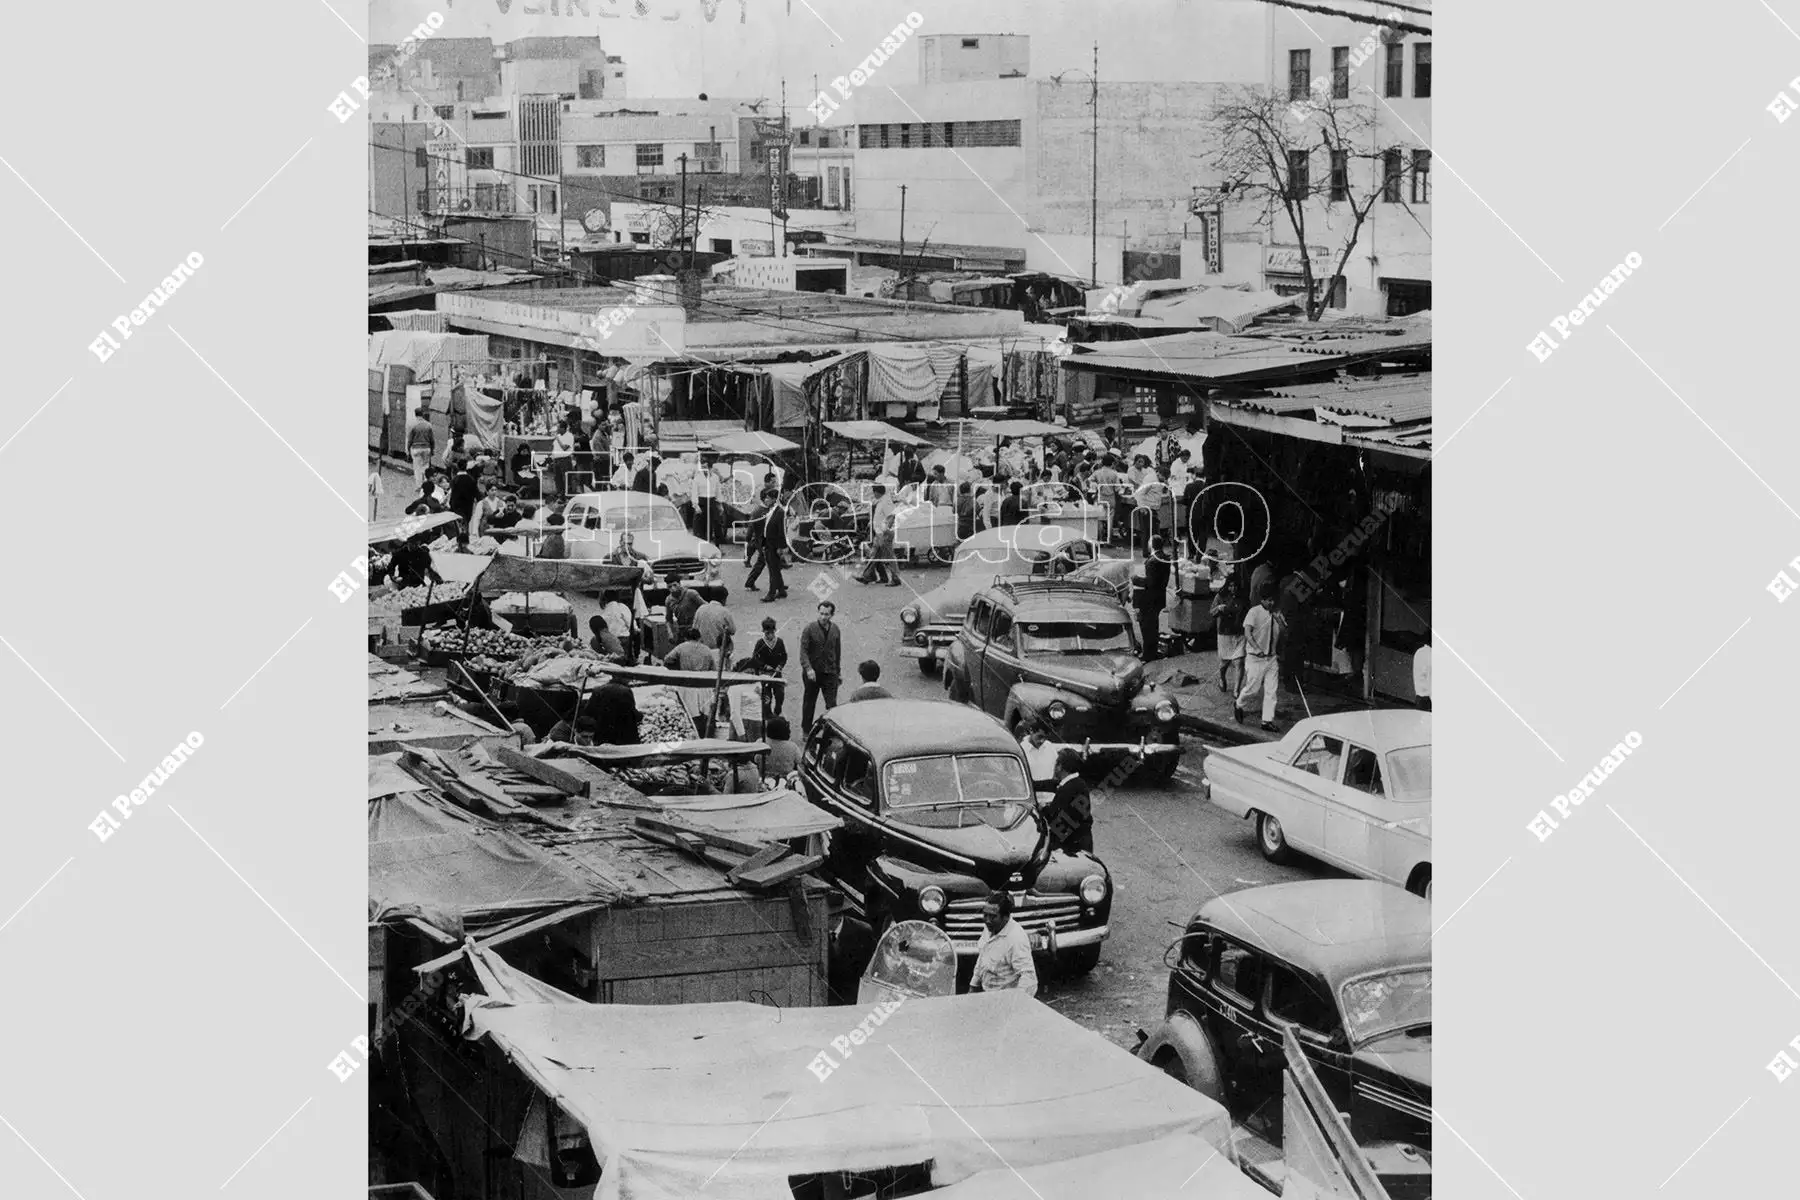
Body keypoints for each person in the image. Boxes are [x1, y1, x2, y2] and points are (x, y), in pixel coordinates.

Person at [968, 891, 1037, 997]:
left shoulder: (1016, 938)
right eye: (985, 915)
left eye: (992, 916)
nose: (987, 920)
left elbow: (1029, 979)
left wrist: (1017, 1003)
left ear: (1006, 917)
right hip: (987, 994)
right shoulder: (990, 927)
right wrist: (972, 987)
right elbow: (982, 958)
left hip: (1005, 999)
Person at [1234, 586, 1284, 732]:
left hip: (1271, 658)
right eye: (1269, 600)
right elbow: (1247, 633)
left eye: (1273, 600)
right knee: (1253, 689)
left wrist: (1279, 621)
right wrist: (1256, 648)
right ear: (1262, 599)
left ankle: (1267, 721)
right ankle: (1239, 703)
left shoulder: (1274, 613)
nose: (1271, 603)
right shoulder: (1254, 612)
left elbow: (1281, 631)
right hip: (1256, 658)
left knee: (1271, 690)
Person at [663, 627, 720, 733]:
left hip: (687, 684)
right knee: (705, 712)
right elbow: (714, 669)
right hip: (704, 685)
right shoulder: (706, 649)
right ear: (699, 637)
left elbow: (667, 659)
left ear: (685, 637)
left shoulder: (681, 647)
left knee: (690, 712)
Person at [1041, 748, 1095, 855]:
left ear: (1060, 767)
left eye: (1055, 764)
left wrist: (1043, 808)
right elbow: (1051, 784)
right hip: (1082, 842)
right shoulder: (1077, 783)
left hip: (1072, 848)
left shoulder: (1067, 789)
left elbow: (1055, 819)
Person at [799, 600, 842, 729]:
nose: (823, 617)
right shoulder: (809, 629)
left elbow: (837, 652)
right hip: (813, 673)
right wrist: (808, 669)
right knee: (809, 702)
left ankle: (832, 730)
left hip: (830, 672)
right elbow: (803, 651)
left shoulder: (835, 629)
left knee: (832, 704)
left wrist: (838, 672)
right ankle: (806, 729)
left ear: (831, 615)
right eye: (821, 613)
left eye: (827, 614)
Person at [1211, 569, 1247, 695]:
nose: (1233, 588)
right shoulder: (1220, 596)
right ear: (1227, 585)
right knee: (1224, 663)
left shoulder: (1243, 598)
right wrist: (1218, 608)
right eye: (1231, 586)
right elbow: (1212, 612)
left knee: (1239, 662)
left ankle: (1237, 690)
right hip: (1225, 634)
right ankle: (1222, 677)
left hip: (1239, 633)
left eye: (1235, 586)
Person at [858, 483, 902, 587]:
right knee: (874, 555)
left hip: (884, 533)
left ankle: (895, 578)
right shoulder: (881, 501)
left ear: (877, 492)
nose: (873, 494)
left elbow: (891, 516)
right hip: (879, 533)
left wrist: (884, 531)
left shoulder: (885, 502)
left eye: (874, 492)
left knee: (888, 556)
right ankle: (869, 576)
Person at [1137, 534, 1171, 661]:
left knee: (1147, 626)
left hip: (1150, 598)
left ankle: (1148, 654)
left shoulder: (1152, 561)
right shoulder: (1164, 558)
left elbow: (1150, 583)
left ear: (1152, 544)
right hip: (1159, 597)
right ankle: (1152, 651)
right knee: (1153, 625)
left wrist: (1136, 580)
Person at [749, 616, 788, 715]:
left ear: (775, 631)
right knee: (766, 698)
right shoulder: (760, 643)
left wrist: (780, 666)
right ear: (763, 632)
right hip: (764, 674)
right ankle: (768, 715)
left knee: (780, 695)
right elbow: (755, 658)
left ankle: (777, 711)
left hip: (776, 674)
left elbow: (784, 656)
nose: (770, 636)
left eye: (772, 633)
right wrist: (764, 666)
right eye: (767, 633)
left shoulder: (779, 642)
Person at [589, 678, 640, 745]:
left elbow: (589, 711)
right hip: (621, 737)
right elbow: (632, 713)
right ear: (624, 678)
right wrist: (641, 716)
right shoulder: (625, 691)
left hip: (601, 735)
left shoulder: (597, 690)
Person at [759, 490, 788, 601]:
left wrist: (781, 547)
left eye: (768, 498)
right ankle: (781, 591)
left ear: (774, 499)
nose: (766, 500)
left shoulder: (780, 512)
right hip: (768, 543)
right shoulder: (771, 511)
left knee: (773, 570)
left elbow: (782, 531)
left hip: (774, 545)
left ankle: (771, 594)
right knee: (774, 568)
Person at [1018, 721, 1060, 791]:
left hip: (1050, 797)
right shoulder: (1021, 749)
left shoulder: (1050, 747)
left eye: (1045, 738)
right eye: (1040, 737)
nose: (1042, 741)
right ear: (1031, 731)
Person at [447, 464, 481, 548]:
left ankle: (461, 540)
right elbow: (476, 491)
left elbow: (452, 494)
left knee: (460, 522)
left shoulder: (455, 479)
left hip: (457, 505)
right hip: (468, 505)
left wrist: (451, 505)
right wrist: (479, 500)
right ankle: (465, 540)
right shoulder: (471, 479)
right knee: (466, 521)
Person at [406, 407, 436, 489]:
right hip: (426, 448)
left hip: (416, 448)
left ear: (415, 414)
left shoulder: (412, 424)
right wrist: (432, 449)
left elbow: (410, 440)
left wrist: (408, 450)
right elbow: (432, 439)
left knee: (417, 468)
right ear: (422, 414)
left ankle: (419, 486)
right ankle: (426, 484)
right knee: (425, 466)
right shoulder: (428, 425)